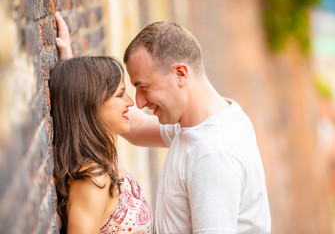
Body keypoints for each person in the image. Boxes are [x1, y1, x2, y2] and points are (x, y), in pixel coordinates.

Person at [55, 13, 271, 233]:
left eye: (144, 87)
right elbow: (134, 126)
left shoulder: (213, 152)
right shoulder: (197, 124)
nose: (137, 102)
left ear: (179, 74)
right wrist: (76, 85)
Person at [50, 56, 153, 234]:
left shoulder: (109, 163)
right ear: (91, 104)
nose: (130, 102)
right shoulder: (93, 180)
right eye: (120, 95)